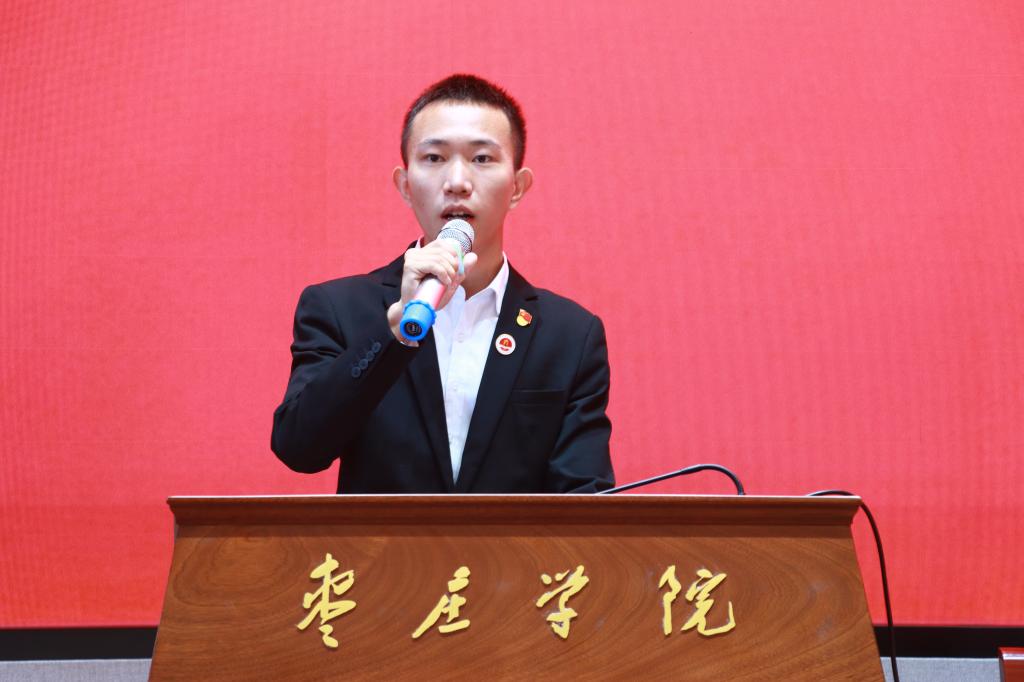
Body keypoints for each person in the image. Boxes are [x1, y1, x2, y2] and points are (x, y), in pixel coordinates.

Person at [271, 74, 614, 493]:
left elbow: (585, 495)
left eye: (482, 159)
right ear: (405, 185)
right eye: (434, 158)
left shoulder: (570, 335)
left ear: (518, 187)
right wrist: (392, 334)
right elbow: (299, 448)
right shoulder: (339, 309)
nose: (457, 182)